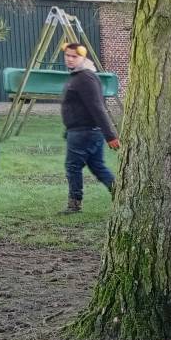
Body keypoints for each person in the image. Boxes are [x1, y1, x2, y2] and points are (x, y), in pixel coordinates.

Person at [60, 42, 119, 213]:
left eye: (74, 56)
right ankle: (121, 194)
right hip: (80, 131)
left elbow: (97, 107)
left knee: (73, 167)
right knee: (98, 167)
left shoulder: (85, 78)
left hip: (84, 133)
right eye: (67, 55)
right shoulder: (78, 76)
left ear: (83, 58)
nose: (70, 59)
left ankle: (74, 204)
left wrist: (110, 136)